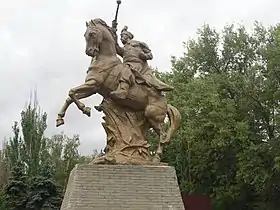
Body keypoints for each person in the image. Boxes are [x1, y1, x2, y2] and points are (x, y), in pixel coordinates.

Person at [110, 25, 173, 100]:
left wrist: (144, 56)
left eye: (123, 36)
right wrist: (113, 31)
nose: (121, 38)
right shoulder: (124, 49)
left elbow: (150, 55)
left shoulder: (139, 44)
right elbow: (115, 46)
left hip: (138, 65)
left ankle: (123, 90)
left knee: (127, 69)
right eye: (120, 37)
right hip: (127, 64)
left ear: (128, 36)